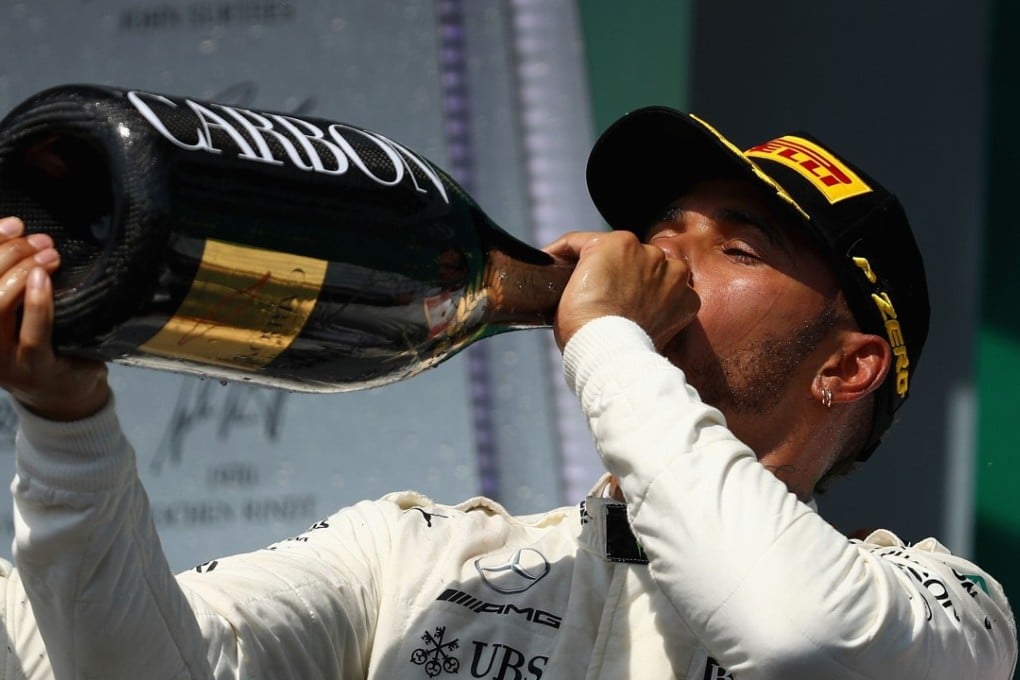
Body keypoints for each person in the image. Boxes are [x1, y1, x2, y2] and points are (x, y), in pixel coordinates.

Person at [0, 107, 1015, 679]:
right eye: (662, 230)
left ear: (845, 368)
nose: (660, 255)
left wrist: (609, 338)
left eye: (738, 248)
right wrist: (65, 420)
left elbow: (795, 632)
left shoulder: (946, 611)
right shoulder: (415, 557)